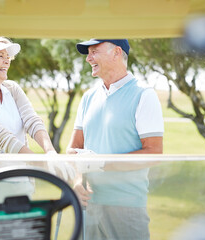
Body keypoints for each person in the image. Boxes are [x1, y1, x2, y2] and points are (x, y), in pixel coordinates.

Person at [0, 35, 74, 239]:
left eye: (7, 56)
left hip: (21, 183)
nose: (6, 60)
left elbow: (33, 121)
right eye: (0, 56)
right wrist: (45, 165)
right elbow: (3, 138)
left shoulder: (12, 89)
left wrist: (50, 152)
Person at [67, 39, 164, 240]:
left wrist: (102, 163)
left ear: (116, 52)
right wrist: (77, 180)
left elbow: (154, 153)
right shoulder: (88, 98)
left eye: (94, 51)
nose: (88, 58)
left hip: (126, 207)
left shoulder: (144, 95)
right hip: (89, 206)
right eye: (88, 53)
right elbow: (74, 149)